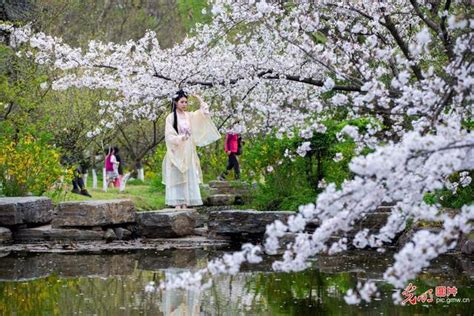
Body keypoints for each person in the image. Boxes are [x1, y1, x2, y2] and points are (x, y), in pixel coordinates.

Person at [162, 89, 220, 209]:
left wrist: (199, 98)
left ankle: (186, 202)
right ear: (176, 102)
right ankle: (177, 202)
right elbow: (169, 136)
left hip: (188, 150)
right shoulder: (171, 117)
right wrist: (182, 137)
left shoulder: (189, 116)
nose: (184, 104)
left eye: (186, 102)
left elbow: (203, 114)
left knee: (188, 175)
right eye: (182, 102)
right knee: (176, 175)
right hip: (176, 150)